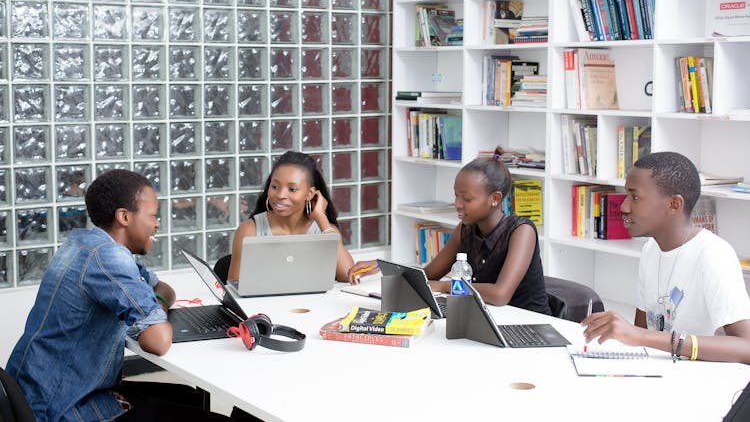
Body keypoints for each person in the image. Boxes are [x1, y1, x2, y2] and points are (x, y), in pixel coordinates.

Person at [6, 169, 232, 421]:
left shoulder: (86, 243)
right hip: (61, 407)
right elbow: (158, 341)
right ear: (124, 217)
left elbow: (164, 289)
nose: (157, 224)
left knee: (189, 396)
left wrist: (154, 307)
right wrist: (154, 314)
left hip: (37, 391)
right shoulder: (107, 258)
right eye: (153, 216)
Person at [582, 151, 750, 363]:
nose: (624, 207)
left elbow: (746, 347)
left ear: (674, 204)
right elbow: (640, 338)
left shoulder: (714, 254)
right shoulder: (650, 250)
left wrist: (641, 335)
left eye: (635, 197)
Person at [349, 147, 551, 313]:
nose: (457, 204)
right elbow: (428, 274)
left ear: (495, 199)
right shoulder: (466, 228)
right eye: (456, 196)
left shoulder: (521, 231)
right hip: (489, 318)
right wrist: (384, 266)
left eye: (467, 198)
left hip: (529, 324)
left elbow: (500, 295)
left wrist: (447, 286)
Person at [229, 151, 355, 282]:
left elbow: (348, 275)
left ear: (310, 194)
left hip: (311, 303)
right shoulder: (250, 231)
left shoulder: (325, 230)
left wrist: (321, 218)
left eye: (292, 189)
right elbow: (234, 287)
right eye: (275, 186)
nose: (280, 195)